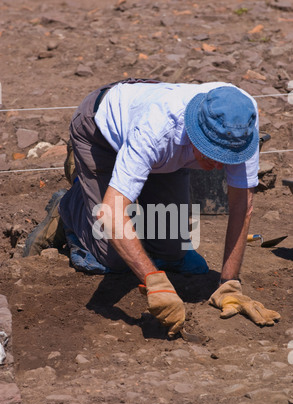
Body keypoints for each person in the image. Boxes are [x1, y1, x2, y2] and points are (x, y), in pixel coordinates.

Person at [23, 78, 281, 337]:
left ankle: (132, 190)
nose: (218, 166)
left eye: (226, 158)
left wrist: (229, 284)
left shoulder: (241, 124)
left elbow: (242, 206)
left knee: (173, 253)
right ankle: (70, 206)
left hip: (167, 156)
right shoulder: (156, 128)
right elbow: (111, 213)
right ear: (193, 133)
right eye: (212, 154)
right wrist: (154, 281)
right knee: (110, 258)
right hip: (101, 133)